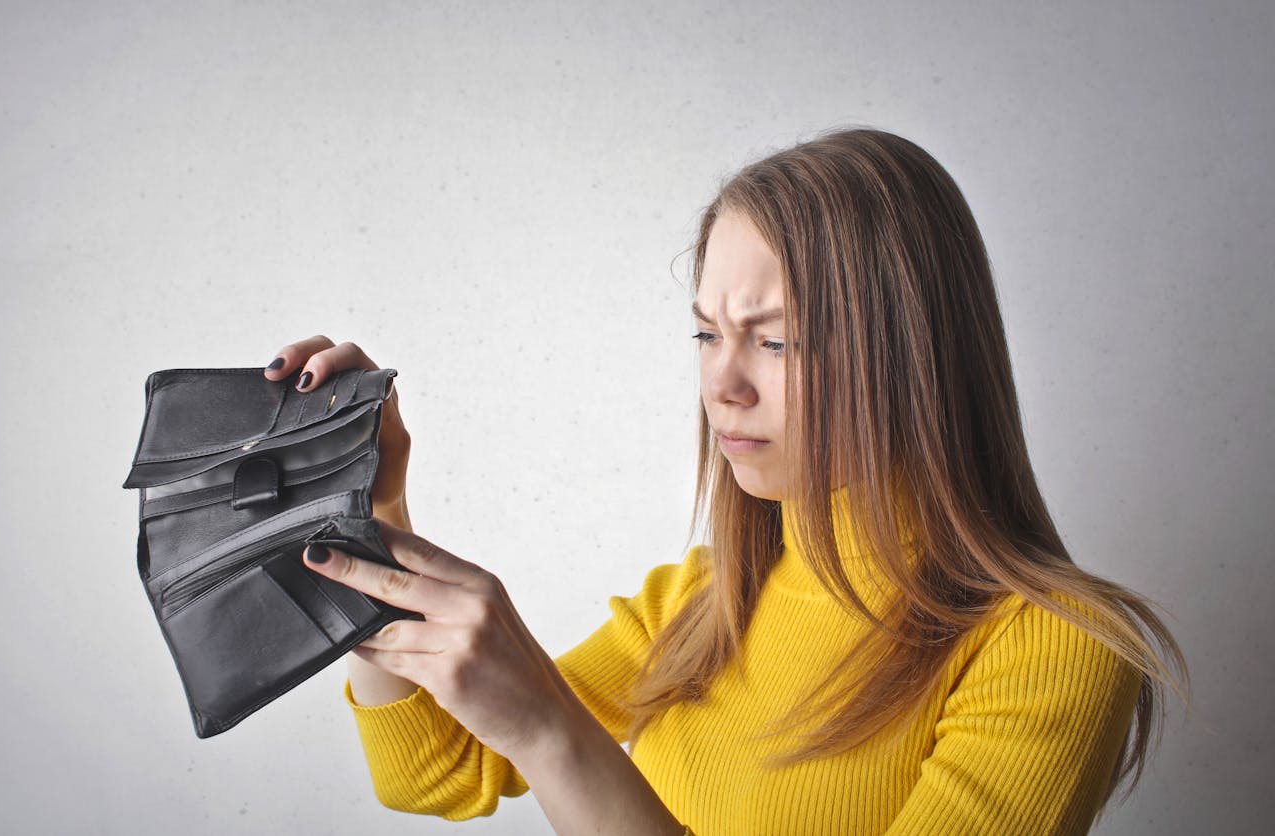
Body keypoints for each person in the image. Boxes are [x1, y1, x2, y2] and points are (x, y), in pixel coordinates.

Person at [263, 128, 1187, 835]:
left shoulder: (1056, 650)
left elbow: (526, 740)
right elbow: (434, 770)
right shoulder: (705, 601)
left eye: (774, 339)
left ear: (914, 359)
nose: (721, 383)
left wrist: (554, 732)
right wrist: (369, 508)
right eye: (707, 334)